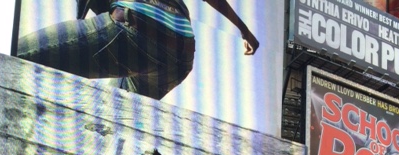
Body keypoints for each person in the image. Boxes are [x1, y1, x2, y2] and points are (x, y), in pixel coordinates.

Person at [17, 0, 259, 102]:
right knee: (111, 113)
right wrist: (244, 30)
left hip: (135, 28)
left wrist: (79, 30)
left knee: (18, 53)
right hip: (180, 57)